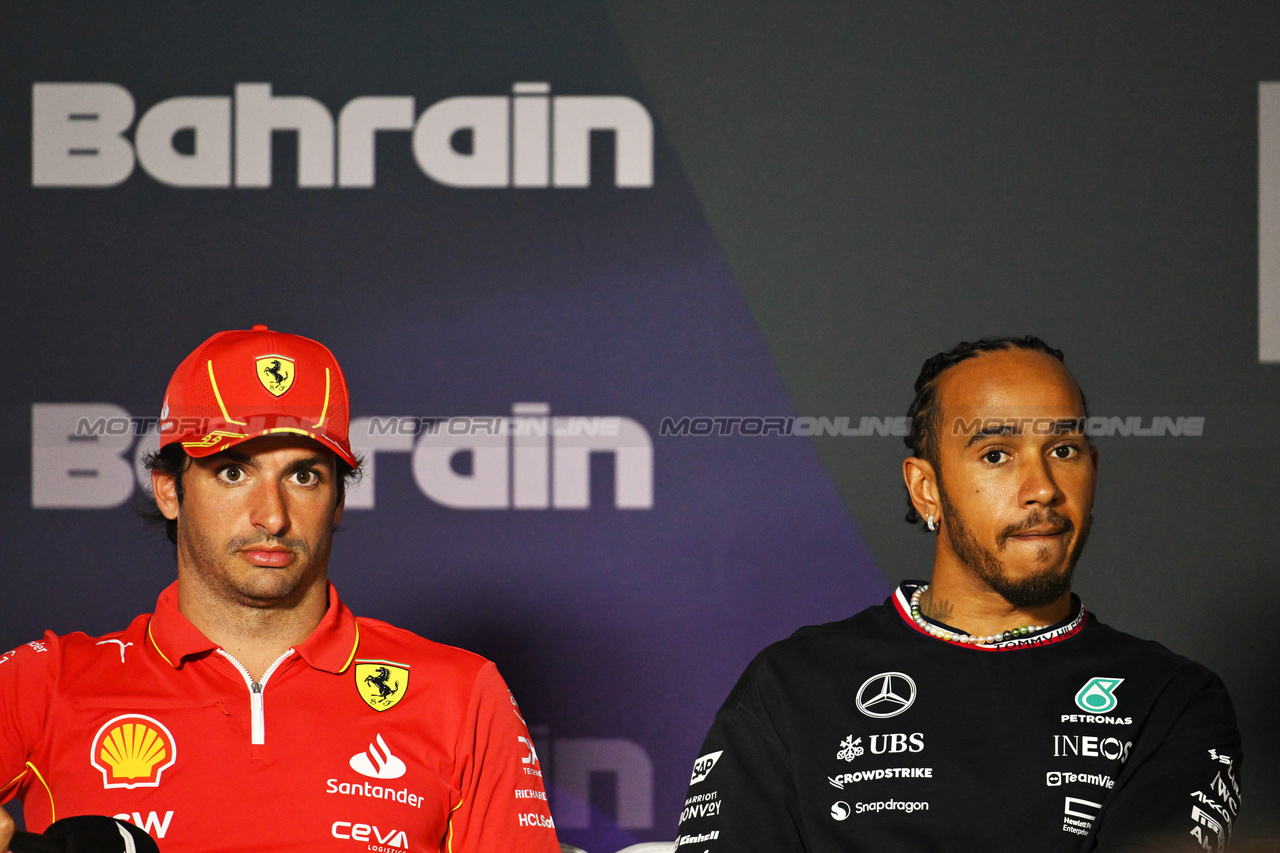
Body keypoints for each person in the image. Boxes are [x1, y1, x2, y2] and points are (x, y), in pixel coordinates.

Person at [0, 326, 560, 853]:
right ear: (169, 491)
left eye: (304, 476)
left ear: (338, 501)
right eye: (233, 472)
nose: (272, 516)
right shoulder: (46, 681)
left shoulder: (459, 693)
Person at [675, 337, 1242, 852]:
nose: (1042, 487)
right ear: (927, 490)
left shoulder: (1173, 701)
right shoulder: (793, 685)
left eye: (1064, 449)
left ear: (1092, 468)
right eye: (996, 454)